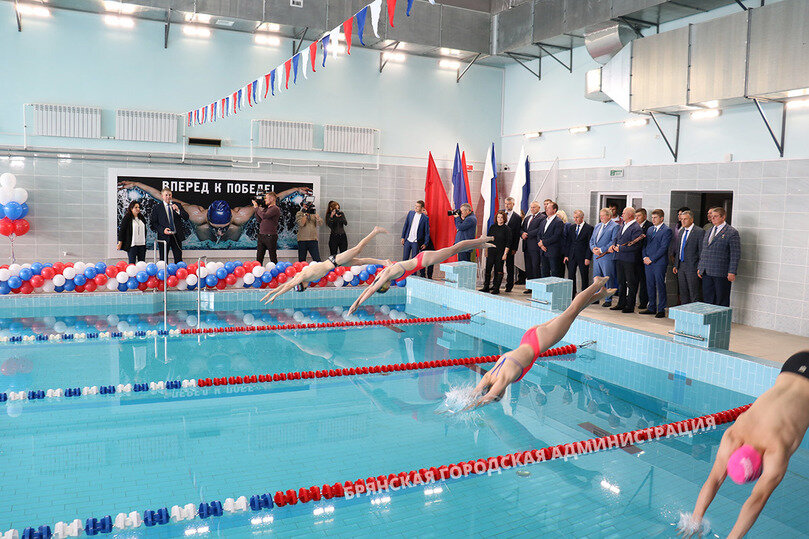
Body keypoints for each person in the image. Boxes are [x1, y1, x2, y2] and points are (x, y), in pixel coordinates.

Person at [683, 351, 809, 539]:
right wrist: (694, 519)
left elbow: (756, 500)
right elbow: (714, 480)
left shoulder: (775, 452)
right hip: (795, 363)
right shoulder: (734, 436)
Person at [466, 276, 615, 408]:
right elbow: (476, 393)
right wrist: (465, 403)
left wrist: (470, 408)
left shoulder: (503, 380)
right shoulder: (488, 376)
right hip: (528, 336)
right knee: (570, 312)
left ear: (500, 392)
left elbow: (487, 397)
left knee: (572, 310)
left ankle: (596, 284)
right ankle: (601, 294)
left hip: (540, 341)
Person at [118, 179, 309, 244]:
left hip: (235, 238)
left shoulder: (242, 216)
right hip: (201, 236)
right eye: (216, 227)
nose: (219, 232)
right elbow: (160, 196)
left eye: (223, 227)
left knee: (234, 232)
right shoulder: (195, 214)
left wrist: (295, 190)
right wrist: (135, 184)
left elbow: (276, 199)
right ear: (207, 217)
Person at [347, 235, 494, 314]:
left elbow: (371, 290)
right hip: (421, 258)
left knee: (455, 248)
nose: (389, 286)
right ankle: (480, 244)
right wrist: (356, 303)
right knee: (455, 250)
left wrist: (356, 304)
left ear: (384, 285)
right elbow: (370, 288)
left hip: (424, 260)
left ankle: (481, 240)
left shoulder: (388, 275)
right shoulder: (384, 274)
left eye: (386, 288)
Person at [261, 227, 388, 303]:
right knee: (360, 261)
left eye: (304, 288)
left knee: (358, 249)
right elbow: (286, 284)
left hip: (334, 261)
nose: (307, 287)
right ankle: (383, 262)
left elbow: (288, 285)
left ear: (302, 285)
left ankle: (375, 231)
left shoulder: (302, 277)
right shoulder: (304, 278)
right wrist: (270, 293)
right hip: (335, 264)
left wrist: (275, 296)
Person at [698, 207, 741, 307]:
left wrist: (732, 271)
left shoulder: (731, 232)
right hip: (707, 271)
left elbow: (735, 254)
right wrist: (700, 267)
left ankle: (721, 322)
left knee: (721, 299)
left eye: (715, 216)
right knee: (708, 298)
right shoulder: (709, 231)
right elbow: (704, 250)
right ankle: (709, 321)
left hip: (721, 272)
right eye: (711, 217)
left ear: (723, 217)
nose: (713, 219)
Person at [609, 207, 643, 313]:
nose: (622, 215)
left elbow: (636, 246)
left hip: (629, 259)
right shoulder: (623, 225)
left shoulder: (636, 227)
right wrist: (613, 245)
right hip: (619, 258)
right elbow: (617, 238)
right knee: (621, 282)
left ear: (630, 215)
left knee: (631, 283)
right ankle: (621, 303)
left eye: (624, 213)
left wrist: (621, 248)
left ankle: (630, 305)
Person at [640, 209, 672, 318]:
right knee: (649, 285)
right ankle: (651, 307)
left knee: (660, 285)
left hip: (659, 262)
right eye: (652, 217)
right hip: (648, 262)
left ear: (661, 218)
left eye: (655, 217)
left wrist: (652, 259)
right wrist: (644, 257)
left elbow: (664, 247)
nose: (653, 220)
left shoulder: (666, 230)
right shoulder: (649, 229)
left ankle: (661, 309)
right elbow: (644, 245)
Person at [149, 188, 190, 263]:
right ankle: (164, 274)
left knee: (178, 259)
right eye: (166, 195)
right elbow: (153, 224)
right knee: (163, 260)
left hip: (176, 237)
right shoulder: (157, 208)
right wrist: (163, 230)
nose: (168, 197)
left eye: (170, 195)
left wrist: (178, 210)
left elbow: (186, 217)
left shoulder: (177, 205)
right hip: (163, 237)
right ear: (162, 196)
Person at [673, 210, 704, 305]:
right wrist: (676, 265)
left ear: (691, 219)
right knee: (683, 292)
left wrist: (700, 267)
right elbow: (679, 249)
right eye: (681, 219)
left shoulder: (699, 231)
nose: (683, 221)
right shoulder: (681, 231)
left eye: (685, 219)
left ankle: (695, 316)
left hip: (693, 267)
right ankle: (684, 315)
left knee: (694, 292)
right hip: (681, 266)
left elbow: (701, 251)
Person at [590, 208, 618, 307]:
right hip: (596, 256)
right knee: (597, 277)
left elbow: (613, 241)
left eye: (603, 215)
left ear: (609, 216)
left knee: (608, 277)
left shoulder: (614, 226)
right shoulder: (597, 225)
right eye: (600, 215)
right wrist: (593, 249)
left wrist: (601, 250)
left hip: (607, 256)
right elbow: (592, 240)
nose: (601, 217)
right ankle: (596, 297)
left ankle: (608, 298)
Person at [480, 211, 512, 295]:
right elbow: (488, 239)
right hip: (491, 251)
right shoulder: (492, 227)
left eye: (501, 217)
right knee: (488, 269)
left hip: (500, 252)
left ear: (504, 219)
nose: (499, 219)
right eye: (498, 217)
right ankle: (486, 286)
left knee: (498, 270)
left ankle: (496, 288)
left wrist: (505, 254)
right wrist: (486, 250)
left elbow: (508, 243)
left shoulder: (507, 229)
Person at [564, 210, 593, 298]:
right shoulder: (572, 227)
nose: (575, 219)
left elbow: (589, 244)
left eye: (577, 217)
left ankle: (584, 297)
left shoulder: (589, 228)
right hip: (572, 255)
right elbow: (568, 242)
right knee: (571, 276)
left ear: (582, 217)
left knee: (584, 276)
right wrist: (566, 255)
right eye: (574, 217)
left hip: (583, 256)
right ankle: (572, 295)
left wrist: (588, 257)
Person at [400, 201, 430, 277]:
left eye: (418, 206)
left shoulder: (425, 218)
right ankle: (403, 275)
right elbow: (405, 225)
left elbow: (427, 232)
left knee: (414, 261)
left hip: (416, 242)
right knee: (405, 259)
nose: (416, 207)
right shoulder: (410, 213)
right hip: (408, 240)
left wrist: (425, 243)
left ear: (422, 208)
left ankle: (413, 276)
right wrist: (403, 237)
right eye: (415, 206)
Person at [521, 201, 543, 293]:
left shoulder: (542, 218)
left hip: (534, 246)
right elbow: (521, 228)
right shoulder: (527, 218)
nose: (532, 209)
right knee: (528, 267)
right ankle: (530, 287)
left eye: (534, 207)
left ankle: (536, 288)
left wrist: (528, 234)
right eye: (531, 207)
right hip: (526, 246)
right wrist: (522, 233)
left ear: (539, 208)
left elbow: (539, 230)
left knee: (535, 267)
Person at [253, 191, 280, 265]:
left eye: (266, 198)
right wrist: (257, 209)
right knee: (259, 258)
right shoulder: (266, 209)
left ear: (272, 199)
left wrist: (256, 208)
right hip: (262, 236)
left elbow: (264, 216)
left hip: (270, 236)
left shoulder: (275, 208)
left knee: (273, 257)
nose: (265, 200)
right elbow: (259, 219)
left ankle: (276, 273)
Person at [538, 202, 564, 278]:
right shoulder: (544, 221)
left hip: (553, 251)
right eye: (546, 208)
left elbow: (556, 236)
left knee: (554, 272)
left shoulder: (558, 222)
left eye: (549, 208)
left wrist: (543, 243)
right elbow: (539, 234)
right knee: (544, 271)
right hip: (543, 251)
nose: (546, 209)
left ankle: (554, 290)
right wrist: (541, 244)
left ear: (554, 210)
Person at [503, 197, 523, 292]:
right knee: (498, 264)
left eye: (509, 204)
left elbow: (517, 234)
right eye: (506, 203)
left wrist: (514, 248)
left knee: (509, 266)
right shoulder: (500, 214)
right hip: (500, 244)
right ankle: (496, 284)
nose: (507, 205)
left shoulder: (517, 217)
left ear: (513, 204)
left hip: (510, 246)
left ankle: (509, 285)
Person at [635, 209, 652, 311]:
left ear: (645, 216)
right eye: (635, 216)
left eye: (639, 216)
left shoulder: (649, 226)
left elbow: (647, 243)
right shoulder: (635, 226)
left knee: (644, 281)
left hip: (644, 258)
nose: (637, 218)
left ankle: (644, 302)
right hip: (635, 257)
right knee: (635, 280)